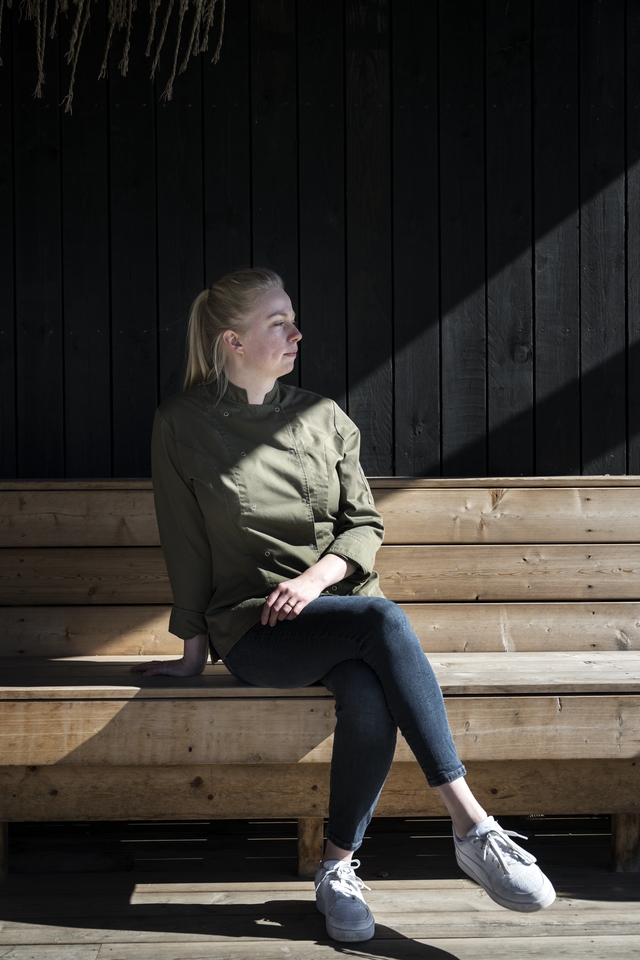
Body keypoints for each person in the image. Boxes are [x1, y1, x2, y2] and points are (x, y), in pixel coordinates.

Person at [131, 267, 556, 943]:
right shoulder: (182, 425)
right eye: (278, 323)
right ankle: (473, 826)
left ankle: (336, 870)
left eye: (293, 318)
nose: (297, 333)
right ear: (232, 341)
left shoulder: (323, 415)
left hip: (342, 614)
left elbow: (364, 525)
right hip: (258, 628)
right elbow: (185, 549)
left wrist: (317, 580)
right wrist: (191, 654)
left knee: (365, 688)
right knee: (383, 622)